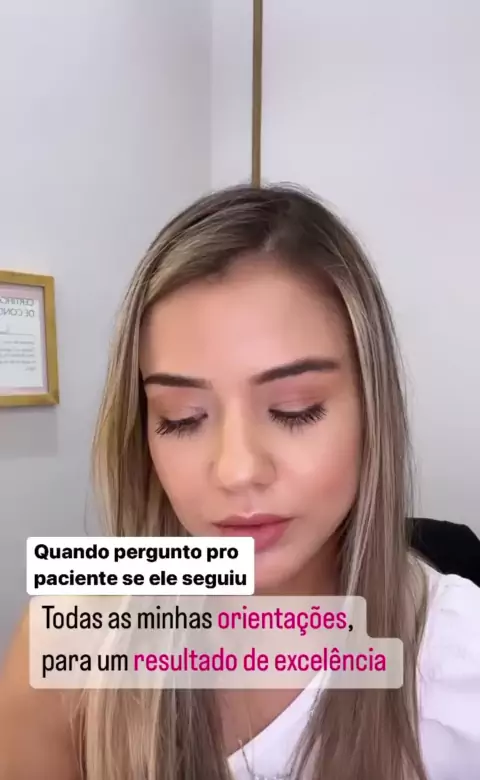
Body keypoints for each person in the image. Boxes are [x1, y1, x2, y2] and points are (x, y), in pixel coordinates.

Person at [1, 184, 479, 780]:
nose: (237, 470)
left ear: (372, 413)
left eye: (295, 410)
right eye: (182, 418)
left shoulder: (462, 662)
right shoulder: (66, 639)